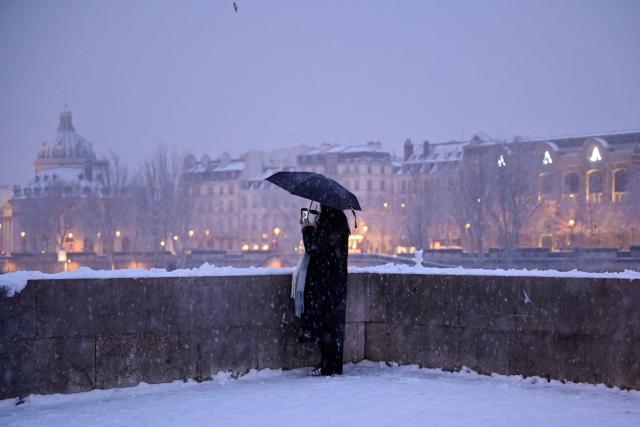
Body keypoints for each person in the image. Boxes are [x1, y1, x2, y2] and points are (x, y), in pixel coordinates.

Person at [299, 203, 351, 376]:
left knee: (326, 326)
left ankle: (328, 367)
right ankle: (333, 365)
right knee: (335, 326)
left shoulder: (328, 221)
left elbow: (313, 249)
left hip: (324, 283)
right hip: (337, 282)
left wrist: (307, 228)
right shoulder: (340, 220)